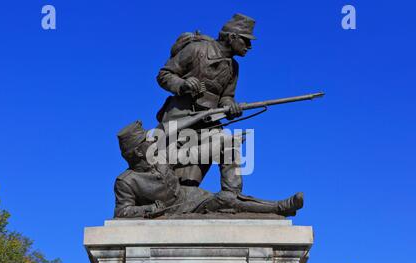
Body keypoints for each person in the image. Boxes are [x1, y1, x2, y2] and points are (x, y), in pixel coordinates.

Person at [114, 121, 303, 219]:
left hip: (191, 198)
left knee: (227, 198)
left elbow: (195, 154)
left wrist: (226, 143)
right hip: (172, 211)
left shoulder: (162, 156)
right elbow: (122, 212)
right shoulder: (126, 181)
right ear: (138, 151)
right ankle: (277, 208)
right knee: (226, 200)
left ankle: (279, 207)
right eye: (147, 141)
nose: (152, 141)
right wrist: (149, 208)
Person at [155, 13, 256, 193]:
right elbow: (164, 75)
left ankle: (232, 197)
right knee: (167, 179)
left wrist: (231, 105)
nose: (249, 47)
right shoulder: (196, 49)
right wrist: (183, 84)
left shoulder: (234, 67)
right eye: (246, 41)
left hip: (209, 124)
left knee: (229, 144)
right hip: (180, 120)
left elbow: (225, 96)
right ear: (232, 37)